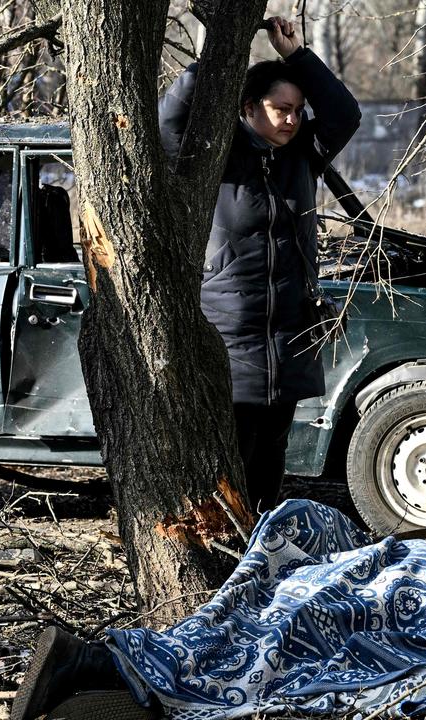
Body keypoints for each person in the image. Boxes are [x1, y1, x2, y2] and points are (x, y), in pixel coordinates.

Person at [160, 17, 361, 513]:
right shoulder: (216, 153)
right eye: (280, 109)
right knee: (230, 457)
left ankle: (261, 552)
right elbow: (167, 124)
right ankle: (228, 554)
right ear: (249, 108)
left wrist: (297, 56)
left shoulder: (302, 157)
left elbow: (344, 114)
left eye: (297, 111)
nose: (291, 121)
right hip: (229, 333)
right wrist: (216, 57)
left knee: (272, 456)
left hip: (290, 331)